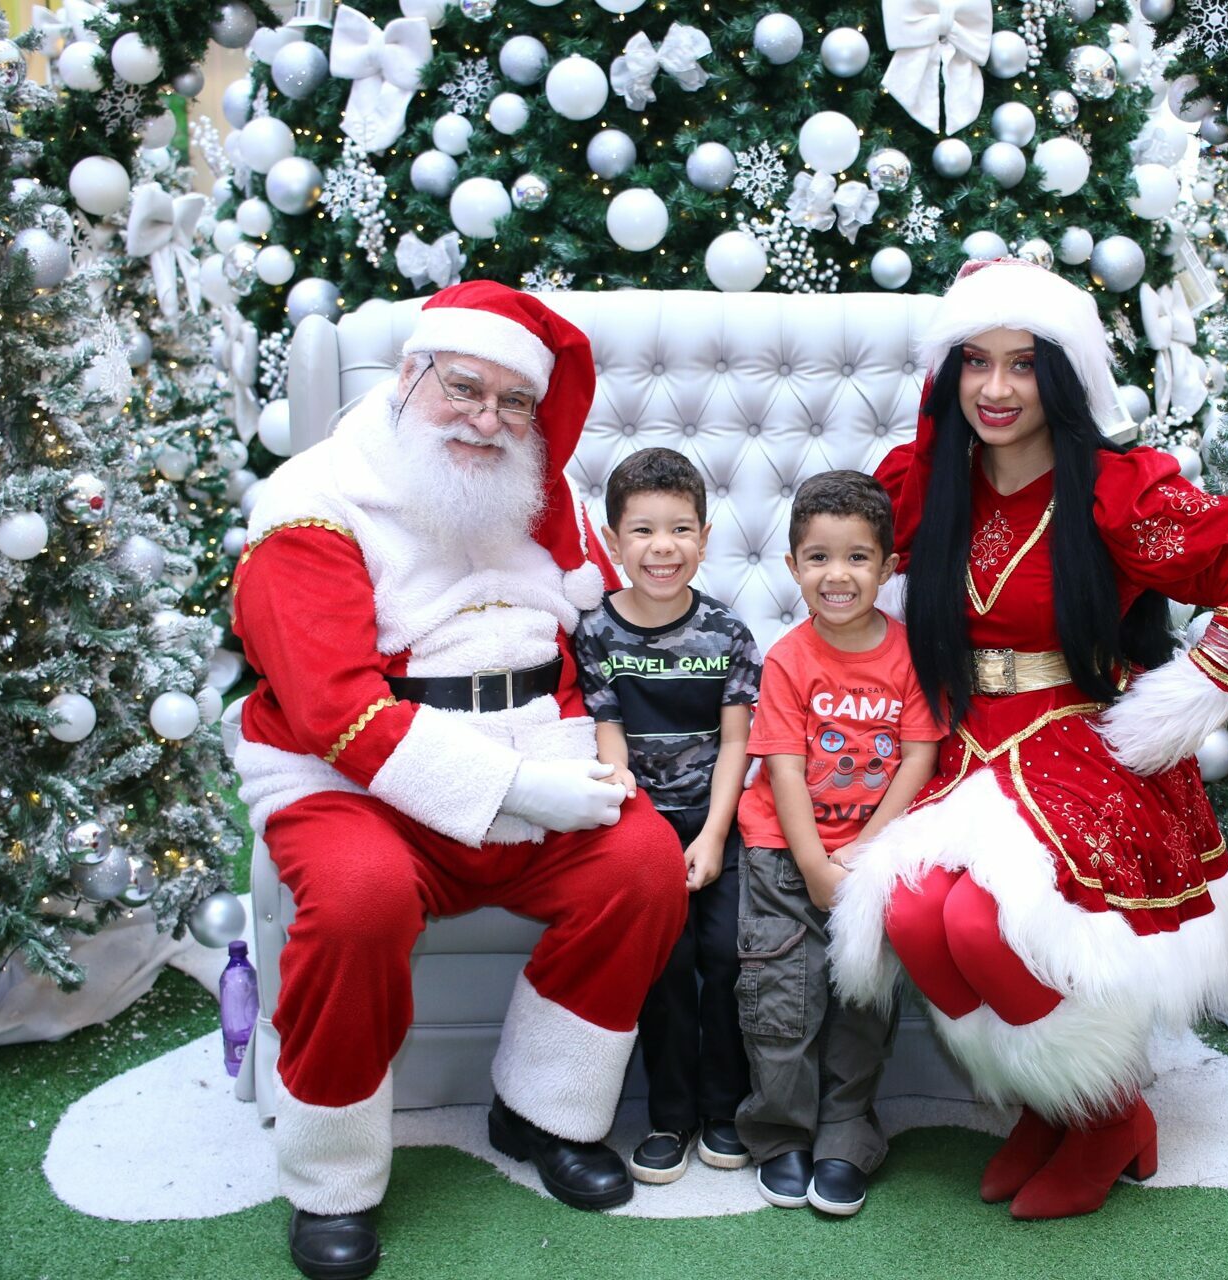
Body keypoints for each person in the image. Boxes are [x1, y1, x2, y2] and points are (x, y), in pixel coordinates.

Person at [826, 260, 1228, 1220]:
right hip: (962, 740)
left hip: (1080, 741)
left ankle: (1107, 1115)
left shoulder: (1117, 491)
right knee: (913, 915)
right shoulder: (927, 483)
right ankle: (1050, 1103)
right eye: (975, 362)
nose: (995, 388)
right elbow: (846, 578)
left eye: (1021, 365)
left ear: (1061, 375)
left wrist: (1180, 705)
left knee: (980, 921)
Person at [230, 282, 688, 1280]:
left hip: (535, 751)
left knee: (644, 866)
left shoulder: (539, 490)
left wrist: (588, 752)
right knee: (359, 899)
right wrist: (515, 788)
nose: (488, 419)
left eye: (514, 400)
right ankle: (332, 1178)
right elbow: (334, 713)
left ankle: (544, 1111)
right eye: (465, 388)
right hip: (349, 781)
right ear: (410, 375)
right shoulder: (311, 501)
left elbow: (584, 643)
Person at [732, 471, 942, 1217]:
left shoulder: (911, 654)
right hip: (782, 858)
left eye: (858, 557)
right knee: (782, 1003)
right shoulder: (788, 657)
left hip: (871, 860)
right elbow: (784, 768)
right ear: (793, 567)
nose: (838, 574)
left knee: (861, 1003)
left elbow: (918, 757)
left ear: (888, 568)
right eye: (818, 557)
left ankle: (846, 1136)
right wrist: (815, 865)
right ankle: (781, 1134)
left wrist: (860, 854)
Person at [574, 447, 763, 1184]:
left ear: (705, 539)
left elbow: (737, 744)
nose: (663, 547)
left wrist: (713, 837)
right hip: (639, 827)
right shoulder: (596, 632)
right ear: (614, 540)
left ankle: (726, 1109)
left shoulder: (728, 634)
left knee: (727, 955)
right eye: (643, 530)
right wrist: (646, 829)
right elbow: (609, 735)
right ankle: (670, 1116)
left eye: (681, 529)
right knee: (667, 962)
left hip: (717, 820)